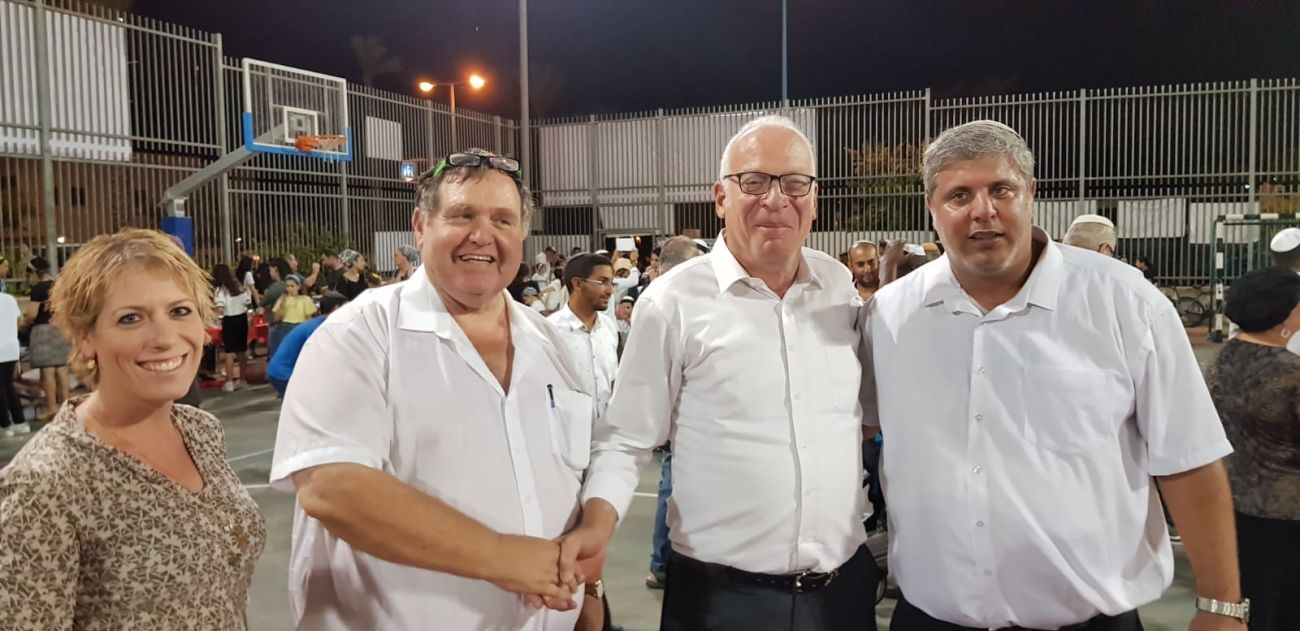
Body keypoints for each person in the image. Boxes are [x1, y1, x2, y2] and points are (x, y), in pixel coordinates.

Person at [861, 120, 1246, 631]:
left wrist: (1222, 605)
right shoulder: (888, 316)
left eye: (1001, 189)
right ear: (932, 207)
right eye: (959, 195)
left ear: (1032, 194)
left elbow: (1188, 459)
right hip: (931, 617)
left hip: (1089, 621)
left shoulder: (1125, 303)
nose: (983, 210)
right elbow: (859, 428)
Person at [563, 115, 879, 631]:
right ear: (720, 198)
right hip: (721, 603)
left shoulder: (837, 285)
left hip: (841, 595)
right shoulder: (673, 302)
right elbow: (626, 438)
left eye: (794, 183)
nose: (775, 200)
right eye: (753, 182)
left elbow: (858, 415)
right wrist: (593, 535)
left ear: (814, 199)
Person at [269, 149, 603, 630]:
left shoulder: (549, 341)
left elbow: (571, 478)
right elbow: (332, 488)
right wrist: (501, 555)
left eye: (503, 220)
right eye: (463, 215)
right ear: (420, 227)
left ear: (522, 235)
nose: (482, 235)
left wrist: (591, 586)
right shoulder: (360, 334)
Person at [0, 228, 265, 629]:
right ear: (85, 338)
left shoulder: (200, 430)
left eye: (180, 311)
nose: (164, 338)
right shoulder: (45, 484)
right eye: (130, 318)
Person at [1206, 268, 1300, 631]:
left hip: (1231, 507)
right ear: (1284, 314)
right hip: (1287, 519)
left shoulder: (1221, 360)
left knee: (1251, 605)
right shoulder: (1291, 374)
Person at [641, 235, 702, 590]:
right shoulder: (661, 301)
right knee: (671, 491)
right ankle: (661, 563)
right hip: (676, 419)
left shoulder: (670, 298)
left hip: (683, 419)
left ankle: (665, 562)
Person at [265, 292, 347, 398]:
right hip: (284, 373)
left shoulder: (319, 323)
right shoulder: (319, 328)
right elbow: (320, 359)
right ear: (336, 308)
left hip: (280, 370)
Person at [23, 257, 71, 421]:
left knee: (47, 371)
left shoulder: (38, 289)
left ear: (34, 272)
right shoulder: (60, 285)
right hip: (61, 329)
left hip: (43, 331)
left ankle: (51, 408)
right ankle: (66, 407)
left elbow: (32, 314)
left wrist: (24, 322)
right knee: (62, 369)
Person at [212, 263, 252, 392]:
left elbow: (220, 308)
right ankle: (243, 379)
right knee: (242, 350)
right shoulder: (238, 287)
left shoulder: (220, 290)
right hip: (242, 319)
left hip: (229, 320)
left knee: (229, 351)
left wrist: (214, 313)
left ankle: (229, 381)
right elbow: (247, 302)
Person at [270, 275, 317, 357]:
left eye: (292, 286)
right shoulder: (282, 299)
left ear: (298, 286)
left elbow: (310, 317)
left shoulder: (305, 299)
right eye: (287, 286)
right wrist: (282, 305)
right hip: (286, 327)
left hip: (301, 327)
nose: (290, 289)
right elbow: (276, 318)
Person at [0, 288, 24, 436]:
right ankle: (20, 421)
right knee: (9, 384)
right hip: (11, 347)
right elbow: (19, 322)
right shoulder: (10, 298)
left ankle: (5, 424)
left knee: (0, 387)